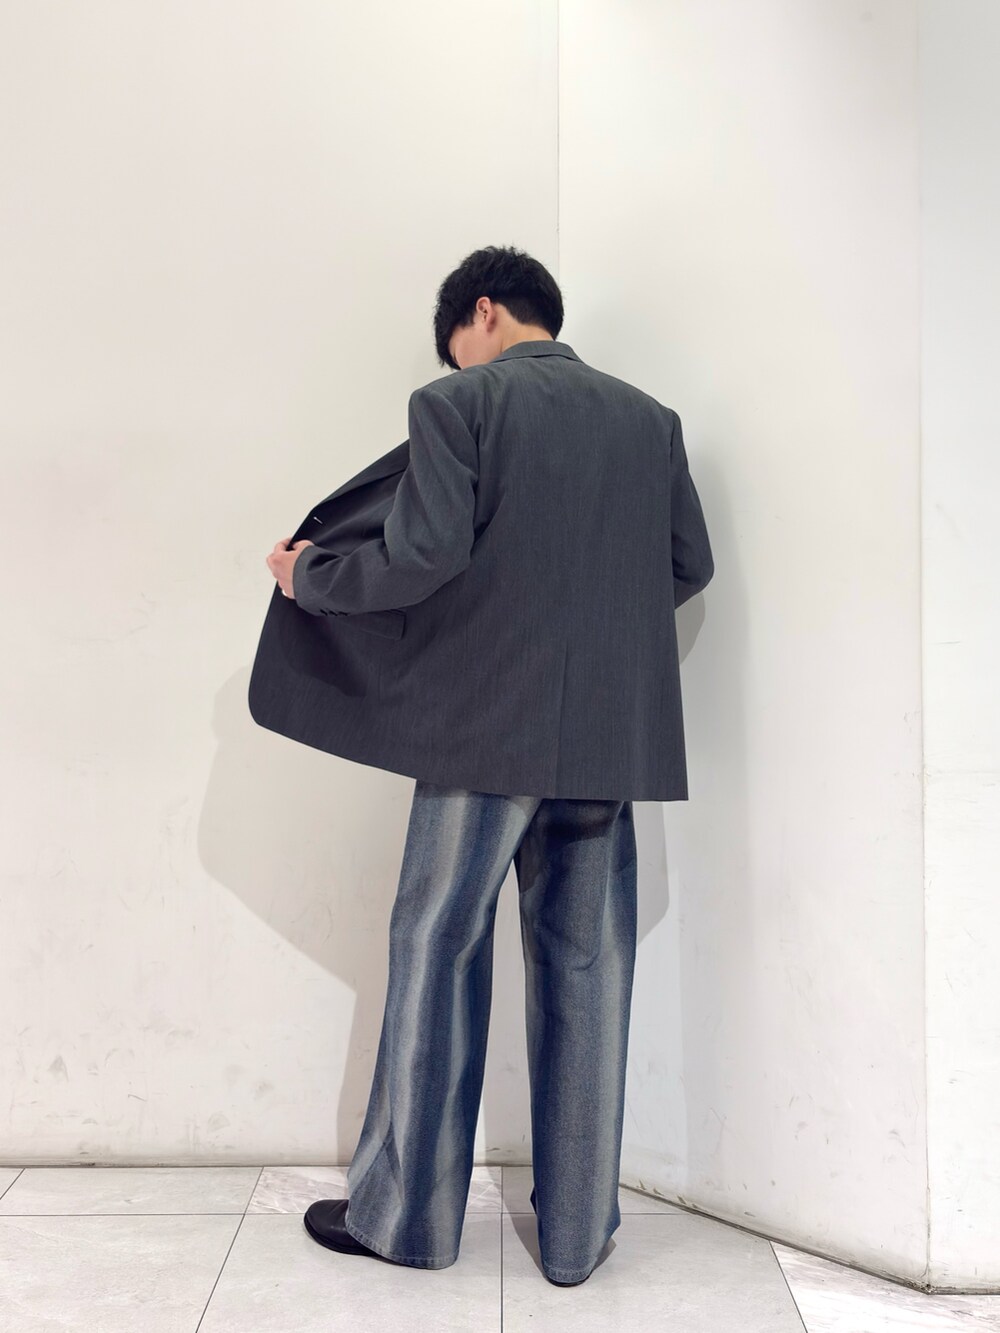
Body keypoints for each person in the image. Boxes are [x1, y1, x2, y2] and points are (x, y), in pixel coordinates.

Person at [258, 244, 714, 1285]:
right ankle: (577, 1236)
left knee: (436, 947)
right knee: (589, 966)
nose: (459, 364)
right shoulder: (649, 421)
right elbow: (688, 564)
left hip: (481, 730)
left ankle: (407, 1220)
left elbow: (418, 557)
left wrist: (311, 575)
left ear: (484, 311)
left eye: (458, 345)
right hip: (605, 736)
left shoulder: (458, 404)